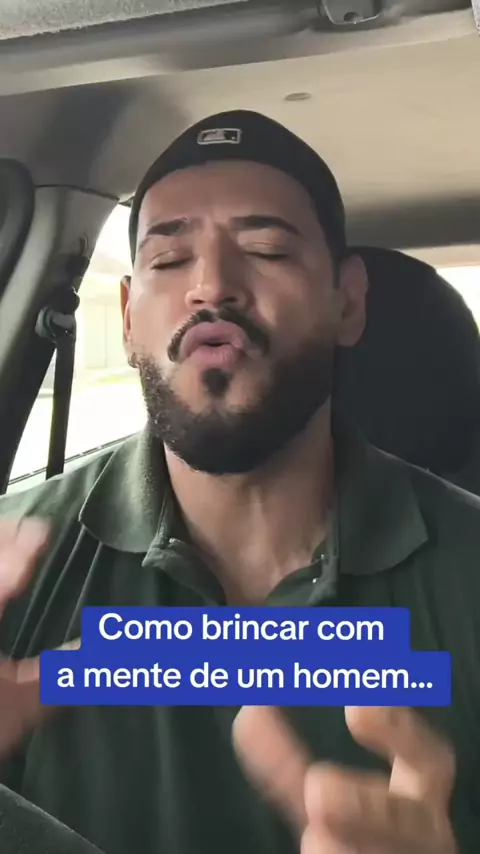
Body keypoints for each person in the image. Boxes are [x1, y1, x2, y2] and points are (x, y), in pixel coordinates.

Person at [0, 109, 478, 854]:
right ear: (126, 317)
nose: (211, 287)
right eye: (168, 260)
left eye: (265, 250)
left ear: (348, 302)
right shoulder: (15, 560)